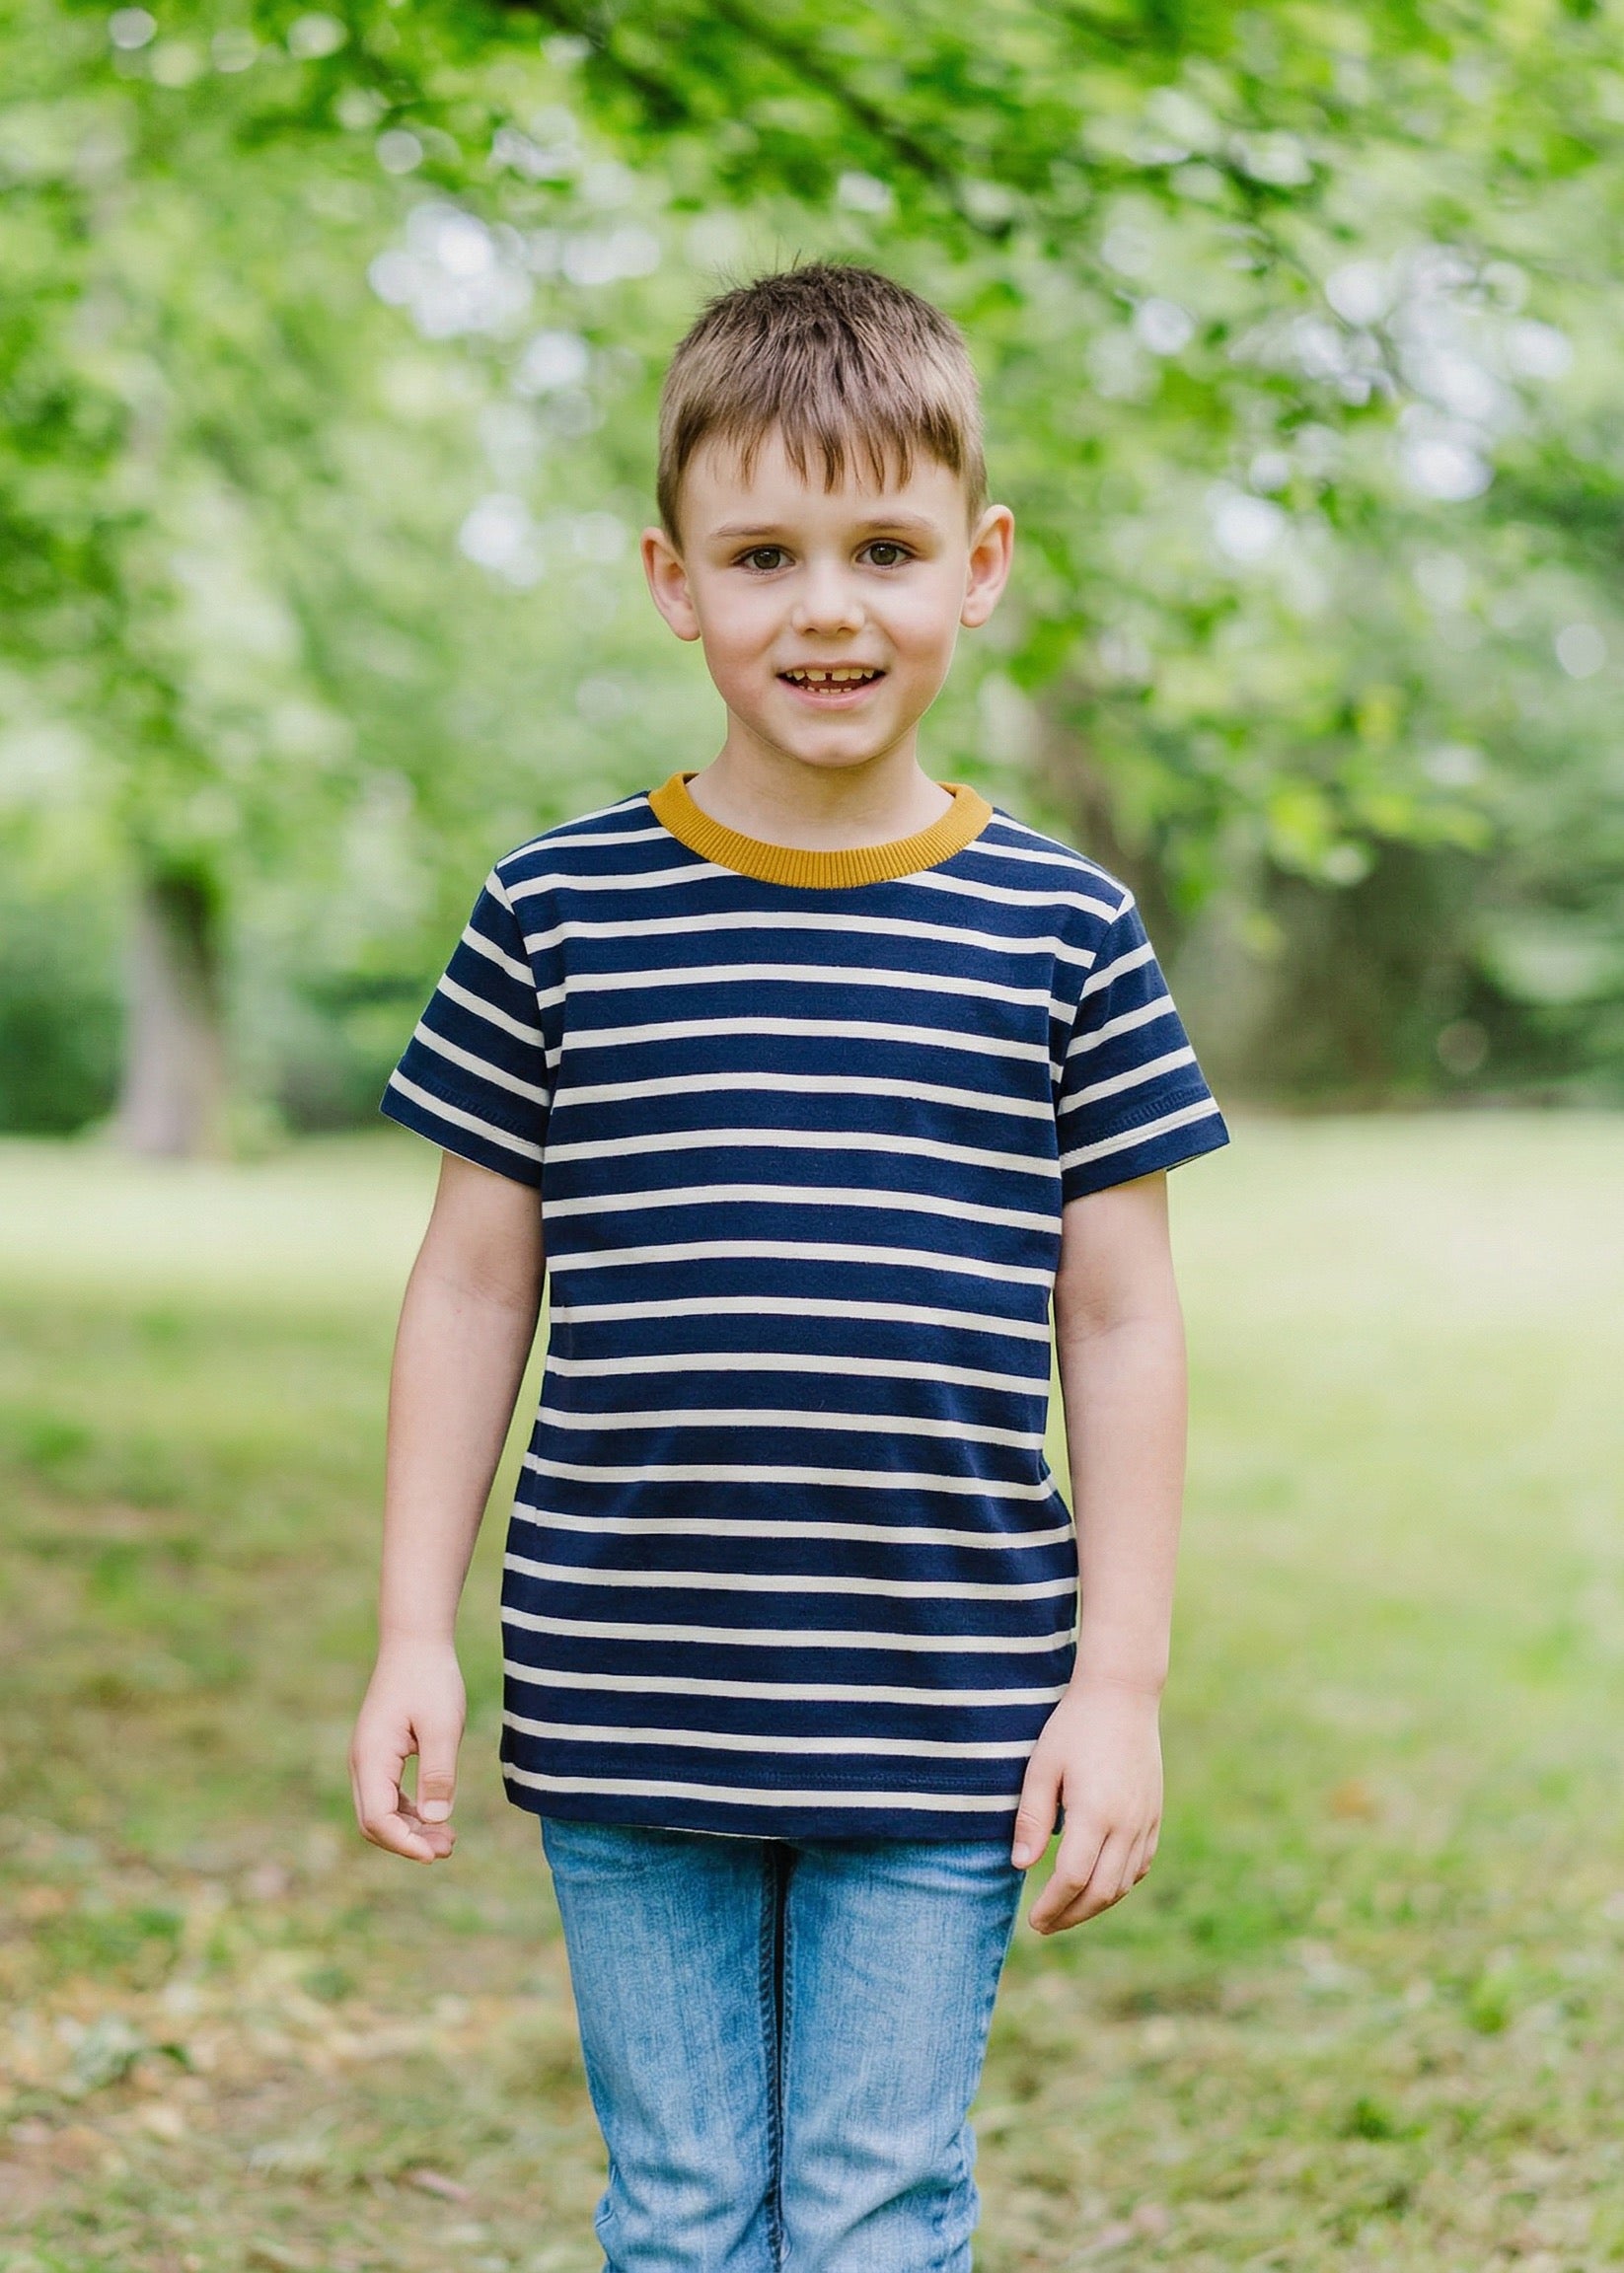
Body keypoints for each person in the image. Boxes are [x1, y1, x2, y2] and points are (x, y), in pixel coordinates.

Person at [349, 261, 1228, 2273]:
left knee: (869, 2206)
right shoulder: (557, 912)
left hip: (945, 1701)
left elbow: (1125, 1321)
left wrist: (1121, 1682)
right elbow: (474, 1283)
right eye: (763, 552)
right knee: (677, 2207)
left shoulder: (1060, 930)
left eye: (884, 549)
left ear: (978, 563)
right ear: (673, 579)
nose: (826, 608)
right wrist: (415, 1625)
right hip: (627, 1688)